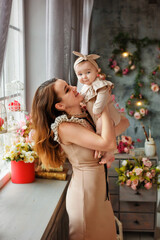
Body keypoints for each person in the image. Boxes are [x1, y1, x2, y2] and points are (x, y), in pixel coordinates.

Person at [31, 78, 118, 240]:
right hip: (85, 197)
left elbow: (119, 127)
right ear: (60, 106)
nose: (73, 87)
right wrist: (102, 103)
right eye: (66, 90)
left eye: (69, 85)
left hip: (100, 192)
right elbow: (109, 142)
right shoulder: (64, 127)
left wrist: (108, 148)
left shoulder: (83, 114)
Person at [73, 51, 124, 167]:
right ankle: (108, 153)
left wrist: (96, 109)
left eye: (88, 72)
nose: (84, 77)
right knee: (106, 133)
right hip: (99, 117)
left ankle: (109, 153)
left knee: (102, 133)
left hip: (108, 115)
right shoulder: (86, 87)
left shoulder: (100, 84)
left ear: (97, 71)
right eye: (80, 74)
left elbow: (102, 97)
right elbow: (83, 98)